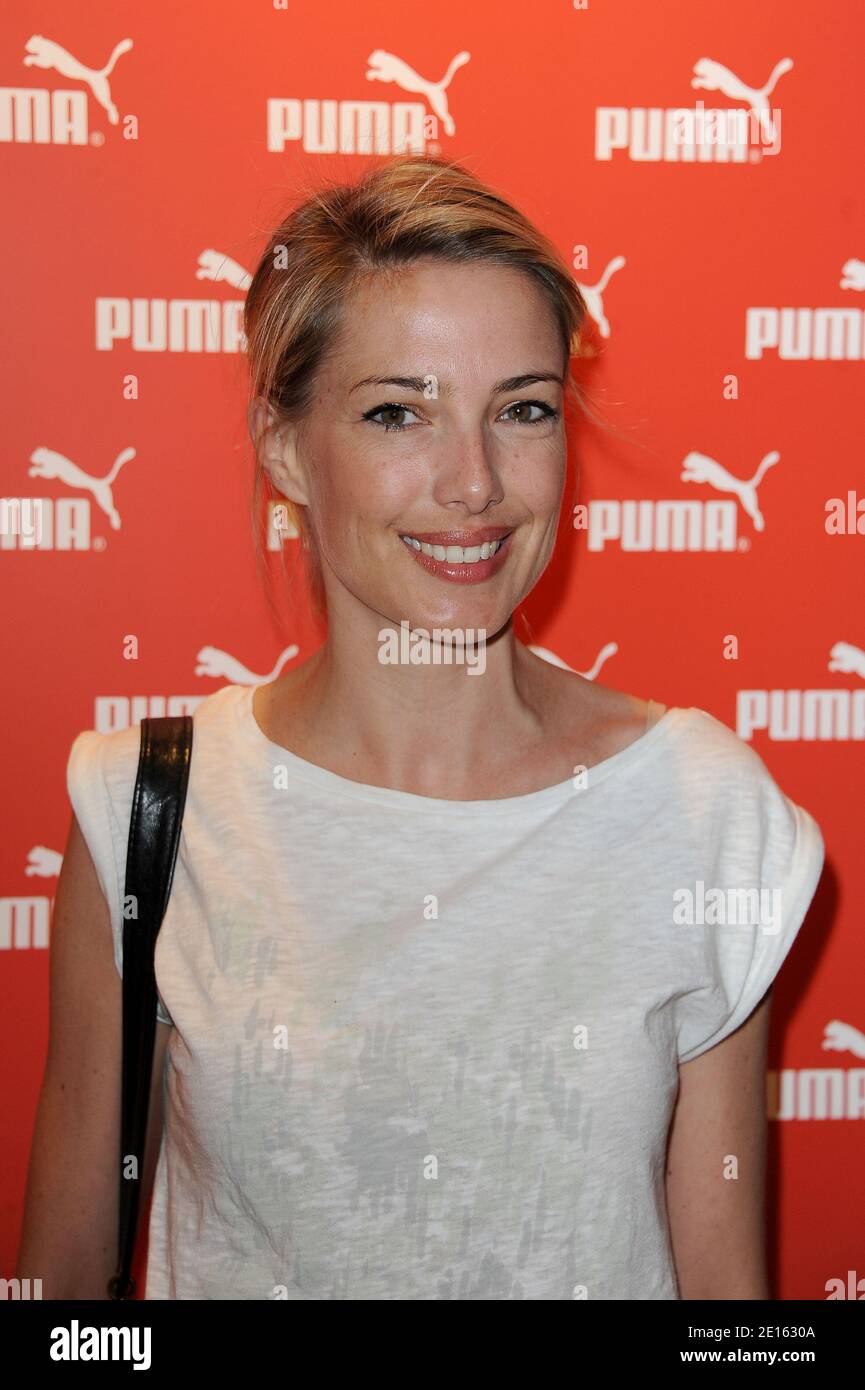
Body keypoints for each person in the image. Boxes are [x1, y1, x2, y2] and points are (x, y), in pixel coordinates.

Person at [17, 154, 824, 1300]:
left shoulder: (697, 809)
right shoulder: (151, 808)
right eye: (399, 411)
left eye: (524, 409)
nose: (475, 482)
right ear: (286, 445)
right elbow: (64, 1306)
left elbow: (727, 1317)